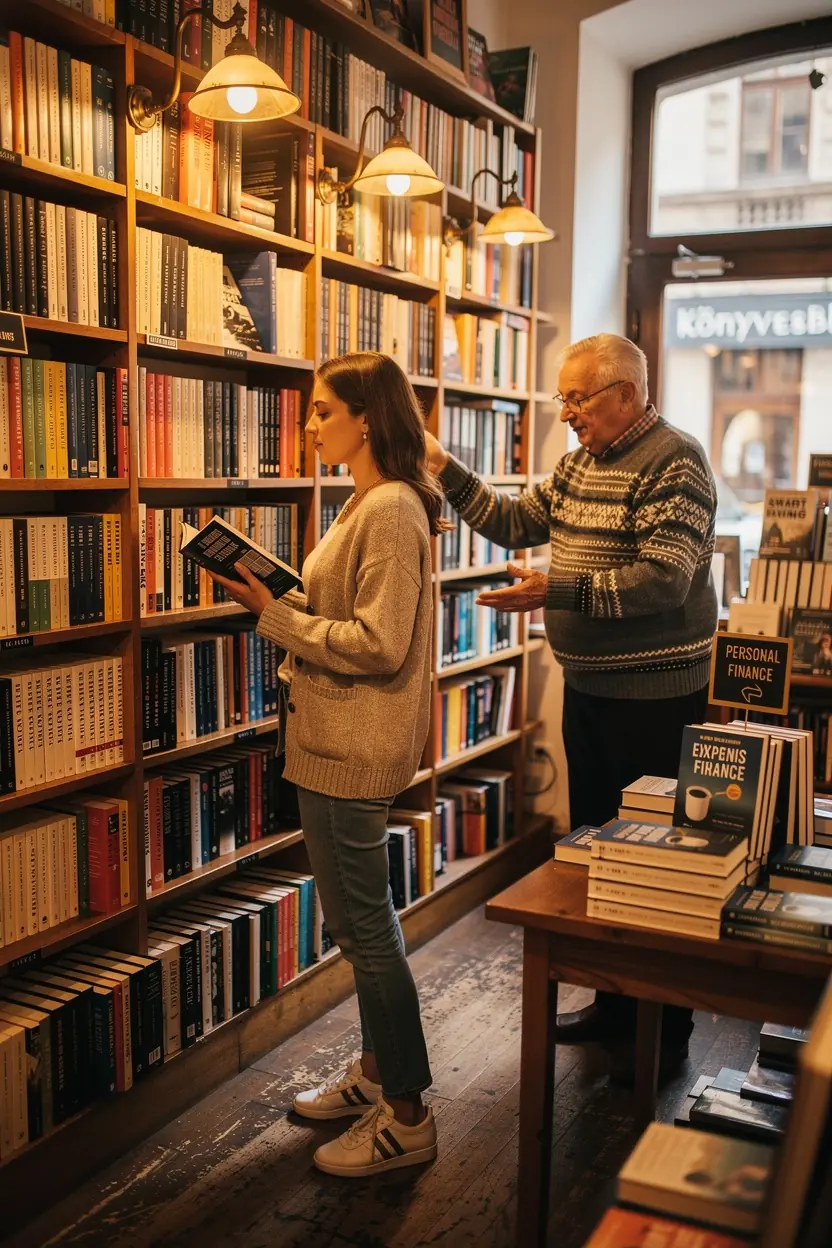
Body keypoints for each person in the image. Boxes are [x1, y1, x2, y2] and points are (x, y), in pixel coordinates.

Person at [425, 332, 718, 1082]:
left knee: (656, 865)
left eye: (578, 398)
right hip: (590, 691)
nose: (567, 413)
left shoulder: (676, 461)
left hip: (656, 701)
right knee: (596, 854)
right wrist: (441, 465)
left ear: (628, 393)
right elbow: (512, 522)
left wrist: (553, 590)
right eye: (563, 398)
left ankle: (665, 1029)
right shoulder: (579, 464)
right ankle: (615, 1006)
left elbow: (665, 581)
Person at [210, 351, 443, 1177]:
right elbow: (352, 613)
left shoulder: (390, 511)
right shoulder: (365, 504)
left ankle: (407, 1115)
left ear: (366, 419)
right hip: (332, 738)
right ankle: (377, 1075)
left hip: (352, 744)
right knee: (362, 924)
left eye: (321, 410)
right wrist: (283, 600)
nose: (308, 425)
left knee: (364, 931)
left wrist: (276, 618)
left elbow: (379, 644)